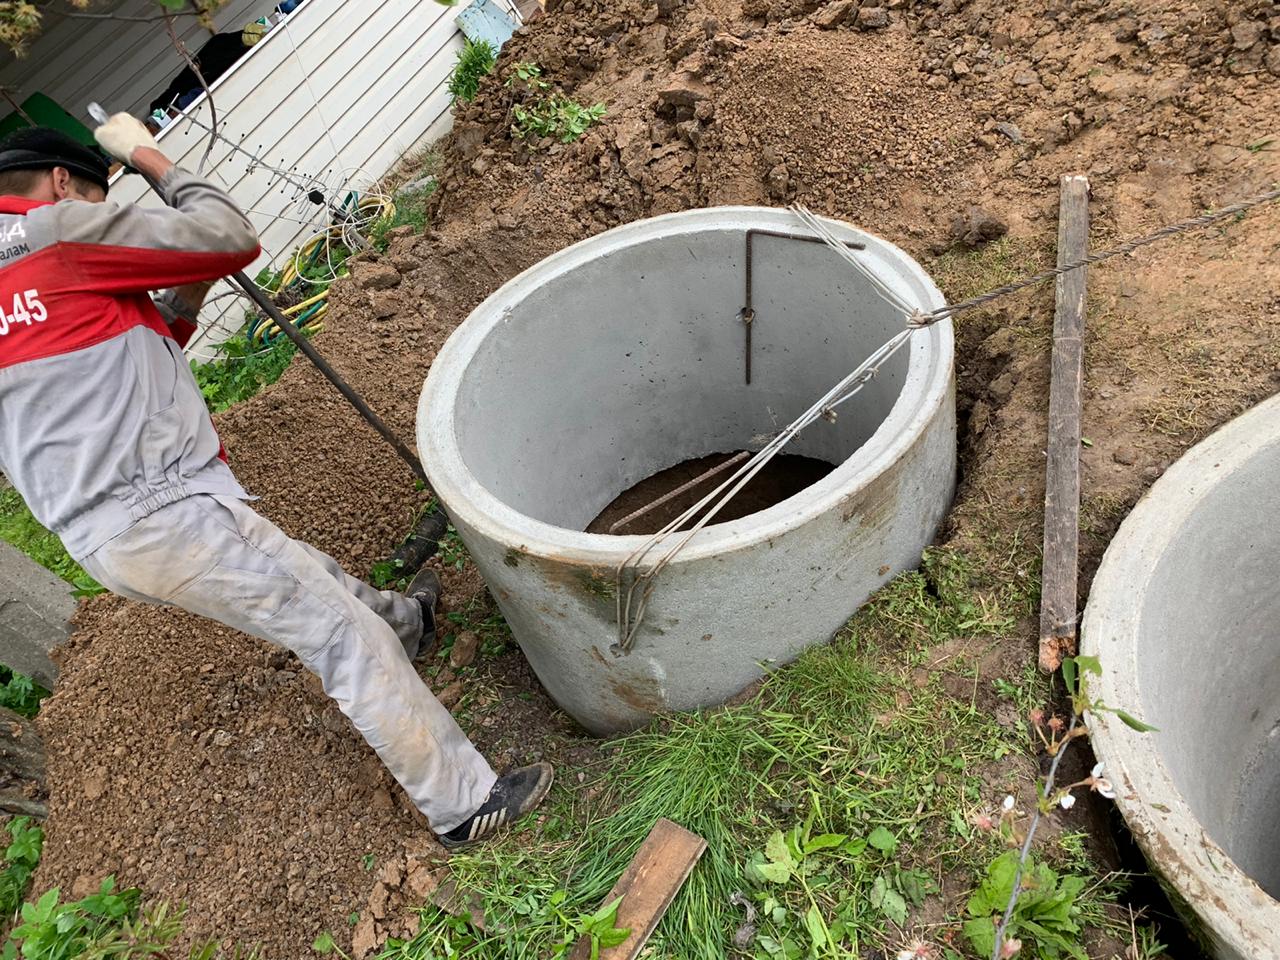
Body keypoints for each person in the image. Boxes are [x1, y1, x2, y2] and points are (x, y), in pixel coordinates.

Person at [0, 119, 552, 848]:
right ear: (66, 182)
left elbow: (118, 366)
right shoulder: (57, 233)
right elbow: (227, 232)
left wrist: (185, 300)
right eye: (100, 196)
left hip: (106, 533)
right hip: (164, 509)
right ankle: (463, 804)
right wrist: (144, 153)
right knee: (339, 636)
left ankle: (410, 625)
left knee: (299, 571)